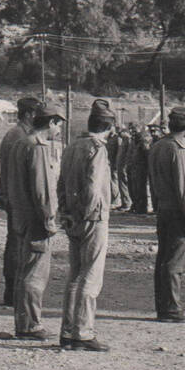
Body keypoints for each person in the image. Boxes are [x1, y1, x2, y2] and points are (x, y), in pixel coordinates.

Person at [57, 99, 114, 351]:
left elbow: (61, 182)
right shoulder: (97, 148)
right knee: (91, 276)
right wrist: (89, 213)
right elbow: (92, 186)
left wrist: (66, 210)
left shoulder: (72, 146)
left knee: (74, 275)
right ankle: (83, 331)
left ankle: (68, 331)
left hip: (73, 215)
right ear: (108, 127)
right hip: (92, 218)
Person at [9, 103, 65, 339]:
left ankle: (24, 322)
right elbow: (43, 191)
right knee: (35, 274)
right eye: (58, 125)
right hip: (36, 220)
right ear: (51, 122)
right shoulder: (38, 147)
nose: (58, 131)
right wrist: (49, 219)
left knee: (24, 271)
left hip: (21, 215)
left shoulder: (20, 143)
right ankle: (31, 324)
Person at [149, 106, 185, 322]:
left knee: (163, 259)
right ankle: (171, 309)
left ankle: (163, 307)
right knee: (175, 262)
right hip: (177, 210)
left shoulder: (158, 146)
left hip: (163, 208)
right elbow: (184, 188)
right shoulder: (178, 149)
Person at [0, 96, 39, 306]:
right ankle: (12, 289)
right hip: (17, 197)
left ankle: (13, 288)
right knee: (16, 243)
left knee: (16, 242)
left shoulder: (15, 134)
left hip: (13, 194)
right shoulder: (19, 136)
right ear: (30, 114)